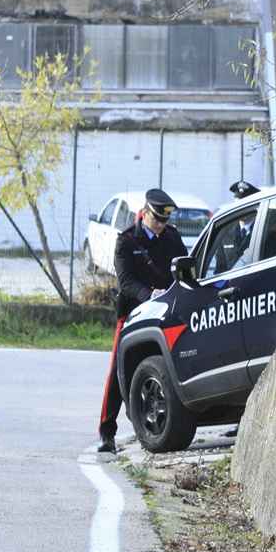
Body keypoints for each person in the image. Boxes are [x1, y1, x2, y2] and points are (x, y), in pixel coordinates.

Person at [98, 188, 188, 453]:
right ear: (145, 213)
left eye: (165, 221)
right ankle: (107, 432)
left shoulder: (171, 237)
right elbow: (126, 282)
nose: (161, 225)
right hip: (133, 311)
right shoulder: (126, 240)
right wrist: (149, 295)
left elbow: (182, 265)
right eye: (157, 219)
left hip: (164, 312)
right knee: (118, 371)